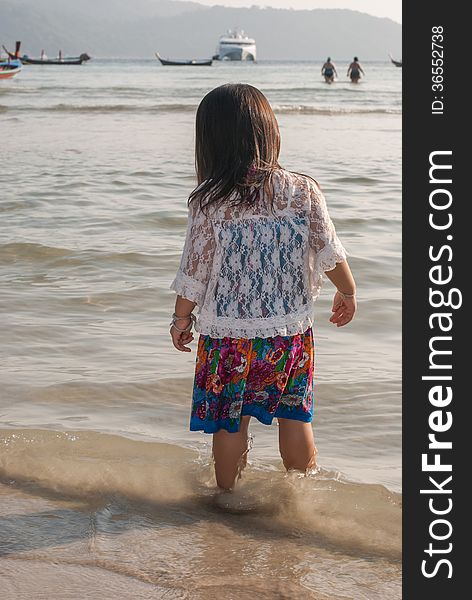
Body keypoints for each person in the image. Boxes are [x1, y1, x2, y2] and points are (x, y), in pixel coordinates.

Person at [169, 83, 357, 492]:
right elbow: (328, 249)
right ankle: (302, 499)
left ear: (210, 142)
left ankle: (228, 500)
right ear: (269, 132)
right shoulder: (302, 189)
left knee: (230, 420)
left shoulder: (208, 200)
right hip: (289, 332)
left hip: (228, 336)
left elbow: (195, 269)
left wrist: (181, 318)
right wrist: (348, 291)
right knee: (295, 415)